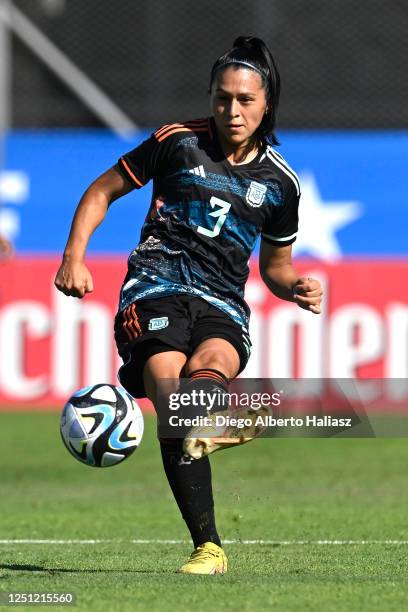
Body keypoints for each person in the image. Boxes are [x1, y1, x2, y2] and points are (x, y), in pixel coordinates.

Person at [55, 36, 323, 575]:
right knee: (170, 388)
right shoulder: (176, 142)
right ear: (210, 97)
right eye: (222, 98)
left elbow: (274, 266)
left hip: (222, 301)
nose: (232, 110)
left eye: (245, 100)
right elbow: (101, 190)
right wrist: (73, 257)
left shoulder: (280, 183)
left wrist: (293, 285)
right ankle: (209, 546)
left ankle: (213, 423)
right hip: (155, 287)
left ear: (266, 103)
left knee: (213, 370)